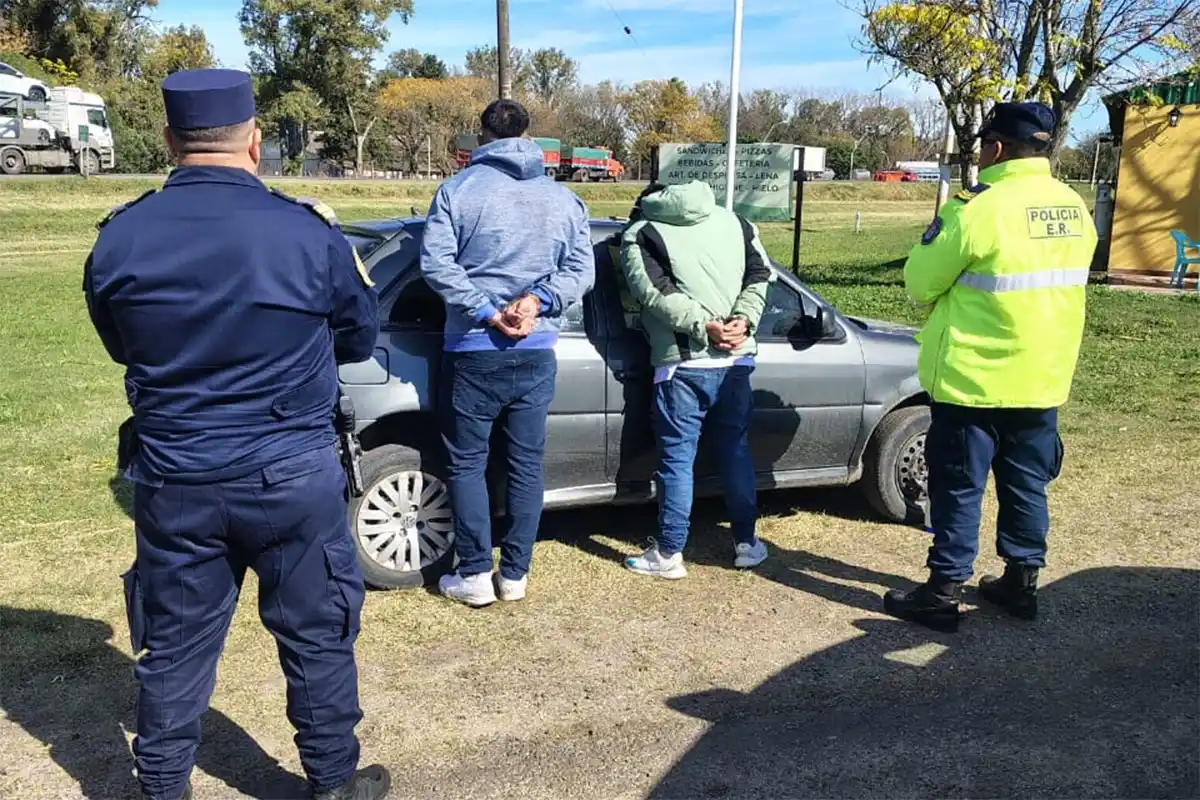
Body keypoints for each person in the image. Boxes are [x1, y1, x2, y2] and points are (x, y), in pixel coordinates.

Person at [84, 68, 390, 800]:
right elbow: (358, 337)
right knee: (316, 638)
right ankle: (334, 783)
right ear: (255, 142)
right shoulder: (306, 231)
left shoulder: (121, 237)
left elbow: (119, 343)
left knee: (175, 649)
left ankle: (161, 788)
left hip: (177, 478)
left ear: (168, 140)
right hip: (290, 475)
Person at [884, 102, 1098, 632]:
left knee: (958, 486)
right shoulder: (1074, 205)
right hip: (1042, 377)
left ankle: (943, 591)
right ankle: (1021, 582)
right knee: (1028, 484)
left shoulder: (977, 207)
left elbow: (919, 282)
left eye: (982, 145)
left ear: (996, 147)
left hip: (974, 380)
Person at [420, 99, 595, 608]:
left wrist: (486, 310)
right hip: (537, 349)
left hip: (473, 349)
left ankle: (474, 572)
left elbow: (436, 264)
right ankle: (515, 573)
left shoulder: (457, 191)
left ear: (482, 135)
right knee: (525, 465)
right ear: (528, 136)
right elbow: (581, 272)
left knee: (467, 464)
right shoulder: (564, 200)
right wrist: (538, 301)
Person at [618, 180, 774, 579]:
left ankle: (669, 553)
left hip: (682, 365)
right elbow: (759, 276)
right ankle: (746, 544)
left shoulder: (642, 232)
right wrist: (743, 320)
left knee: (676, 460)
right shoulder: (737, 223)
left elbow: (654, 293)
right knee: (735, 451)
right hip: (737, 361)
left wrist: (705, 327)